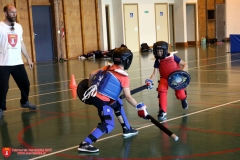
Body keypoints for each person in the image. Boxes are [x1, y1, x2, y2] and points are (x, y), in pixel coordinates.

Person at [79, 47, 148, 153]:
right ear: (127, 60)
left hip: (95, 97)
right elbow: (128, 96)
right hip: (102, 102)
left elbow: (92, 74)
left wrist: (90, 88)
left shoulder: (108, 67)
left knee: (117, 103)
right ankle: (86, 143)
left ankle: (127, 129)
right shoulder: (123, 77)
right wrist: (138, 106)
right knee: (108, 124)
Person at [0, 4, 37, 119]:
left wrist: (28, 58)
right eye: (12, 12)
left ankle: (24, 101)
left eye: (15, 12)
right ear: (5, 13)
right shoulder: (0, 27)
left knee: (25, 84)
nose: (14, 15)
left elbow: (21, 43)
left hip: (17, 62)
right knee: (2, 88)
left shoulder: (18, 27)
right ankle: (1, 108)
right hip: (3, 63)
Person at [145, 41, 188, 121]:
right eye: (157, 51)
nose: (159, 53)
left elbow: (185, 64)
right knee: (161, 89)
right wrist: (149, 80)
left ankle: (183, 99)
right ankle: (162, 111)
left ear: (165, 50)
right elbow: (154, 73)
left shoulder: (173, 56)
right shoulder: (157, 60)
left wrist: (181, 72)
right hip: (164, 78)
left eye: (160, 51)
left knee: (180, 95)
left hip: (176, 78)